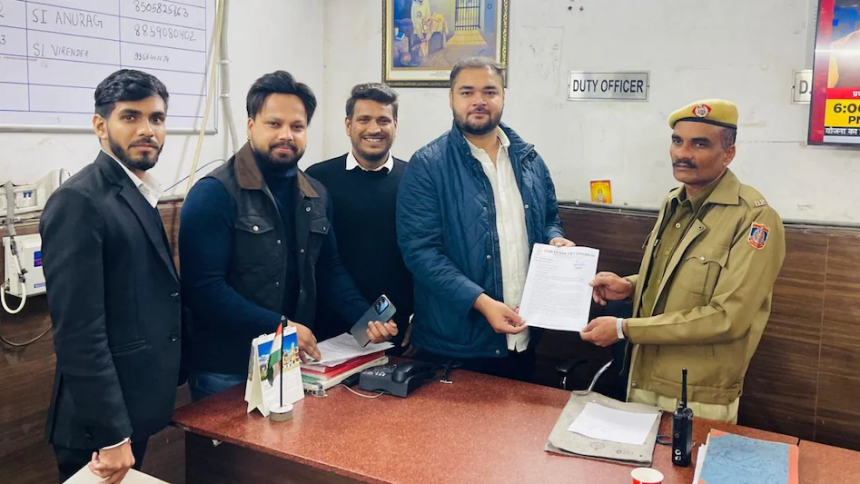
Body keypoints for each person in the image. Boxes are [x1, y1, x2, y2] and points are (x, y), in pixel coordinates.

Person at [180, 71, 397, 401]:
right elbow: (203, 290)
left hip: (288, 362)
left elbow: (329, 270)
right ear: (251, 126)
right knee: (228, 440)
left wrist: (365, 319)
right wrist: (282, 325)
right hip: (227, 368)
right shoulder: (214, 193)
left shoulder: (315, 193)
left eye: (297, 126)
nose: (286, 135)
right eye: (274, 124)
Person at [583, 99, 786, 423]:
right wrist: (631, 286)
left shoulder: (754, 218)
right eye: (677, 141)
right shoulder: (674, 201)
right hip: (643, 376)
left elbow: (727, 317)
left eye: (699, 144)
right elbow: (677, 276)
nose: (682, 153)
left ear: (728, 153)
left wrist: (624, 329)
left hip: (697, 395)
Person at [40, 69, 182, 483]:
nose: (147, 129)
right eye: (130, 117)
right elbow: (79, 332)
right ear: (101, 126)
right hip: (98, 427)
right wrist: (112, 433)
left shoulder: (138, 192)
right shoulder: (79, 201)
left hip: (133, 406)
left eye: (156, 118)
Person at [396, 57, 573, 382]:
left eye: (489, 91)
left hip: (523, 336)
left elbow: (549, 218)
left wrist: (554, 239)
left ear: (503, 96)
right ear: (451, 98)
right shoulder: (428, 165)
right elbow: (421, 253)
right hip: (456, 345)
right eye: (467, 92)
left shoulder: (530, 160)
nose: (479, 100)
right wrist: (481, 302)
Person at [305, 83, 414, 352]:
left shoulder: (415, 179)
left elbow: (425, 254)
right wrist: (362, 317)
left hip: (397, 328)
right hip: (329, 326)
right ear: (348, 125)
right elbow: (318, 260)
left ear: (395, 125)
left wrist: (419, 317)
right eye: (364, 119)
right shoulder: (317, 178)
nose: (374, 129)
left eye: (383, 120)